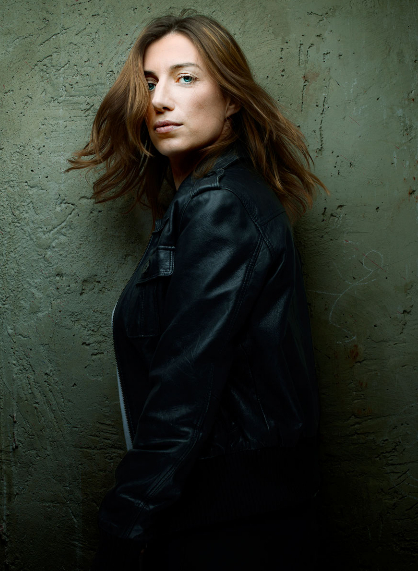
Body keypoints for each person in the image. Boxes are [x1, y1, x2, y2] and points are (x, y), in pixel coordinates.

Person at [67, 11, 328, 571]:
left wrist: (126, 520)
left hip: (232, 525)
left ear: (230, 98)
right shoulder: (210, 199)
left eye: (185, 78)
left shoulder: (220, 205)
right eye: (150, 83)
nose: (160, 100)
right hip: (239, 511)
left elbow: (186, 384)